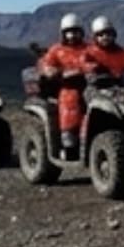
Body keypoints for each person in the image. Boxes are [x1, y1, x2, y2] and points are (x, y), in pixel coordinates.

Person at [38, 12, 93, 157]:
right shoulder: (57, 50)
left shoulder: (89, 48)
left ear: (81, 32)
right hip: (66, 86)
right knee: (70, 101)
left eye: (75, 31)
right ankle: (68, 140)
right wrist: (54, 72)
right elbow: (46, 64)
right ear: (63, 33)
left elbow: (102, 59)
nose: (72, 35)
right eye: (69, 32)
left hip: (89, 86)